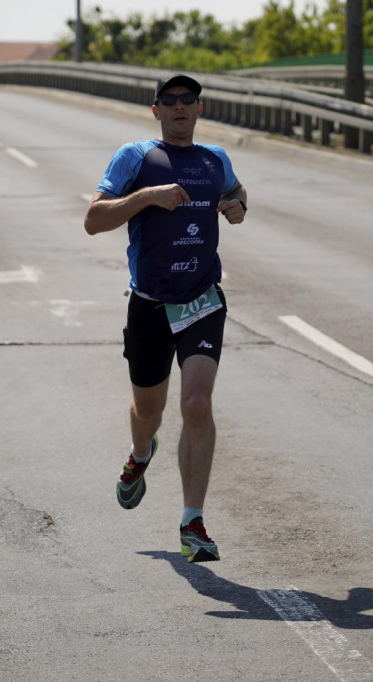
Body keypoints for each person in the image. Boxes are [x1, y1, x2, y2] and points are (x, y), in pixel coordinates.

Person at [84, 74, 248, 563]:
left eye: (188, 100)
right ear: (155, 110)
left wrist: (238, 208)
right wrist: (147, 197)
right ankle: (140, 454)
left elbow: (239, 197)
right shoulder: (136, 157)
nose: (180, 107)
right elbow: (94, 219)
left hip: (201, 300)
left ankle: (192, 521)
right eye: (170, 101)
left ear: (200, 109)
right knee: (148, 412)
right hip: (151, 303)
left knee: (196, 405)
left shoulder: (214, 159)